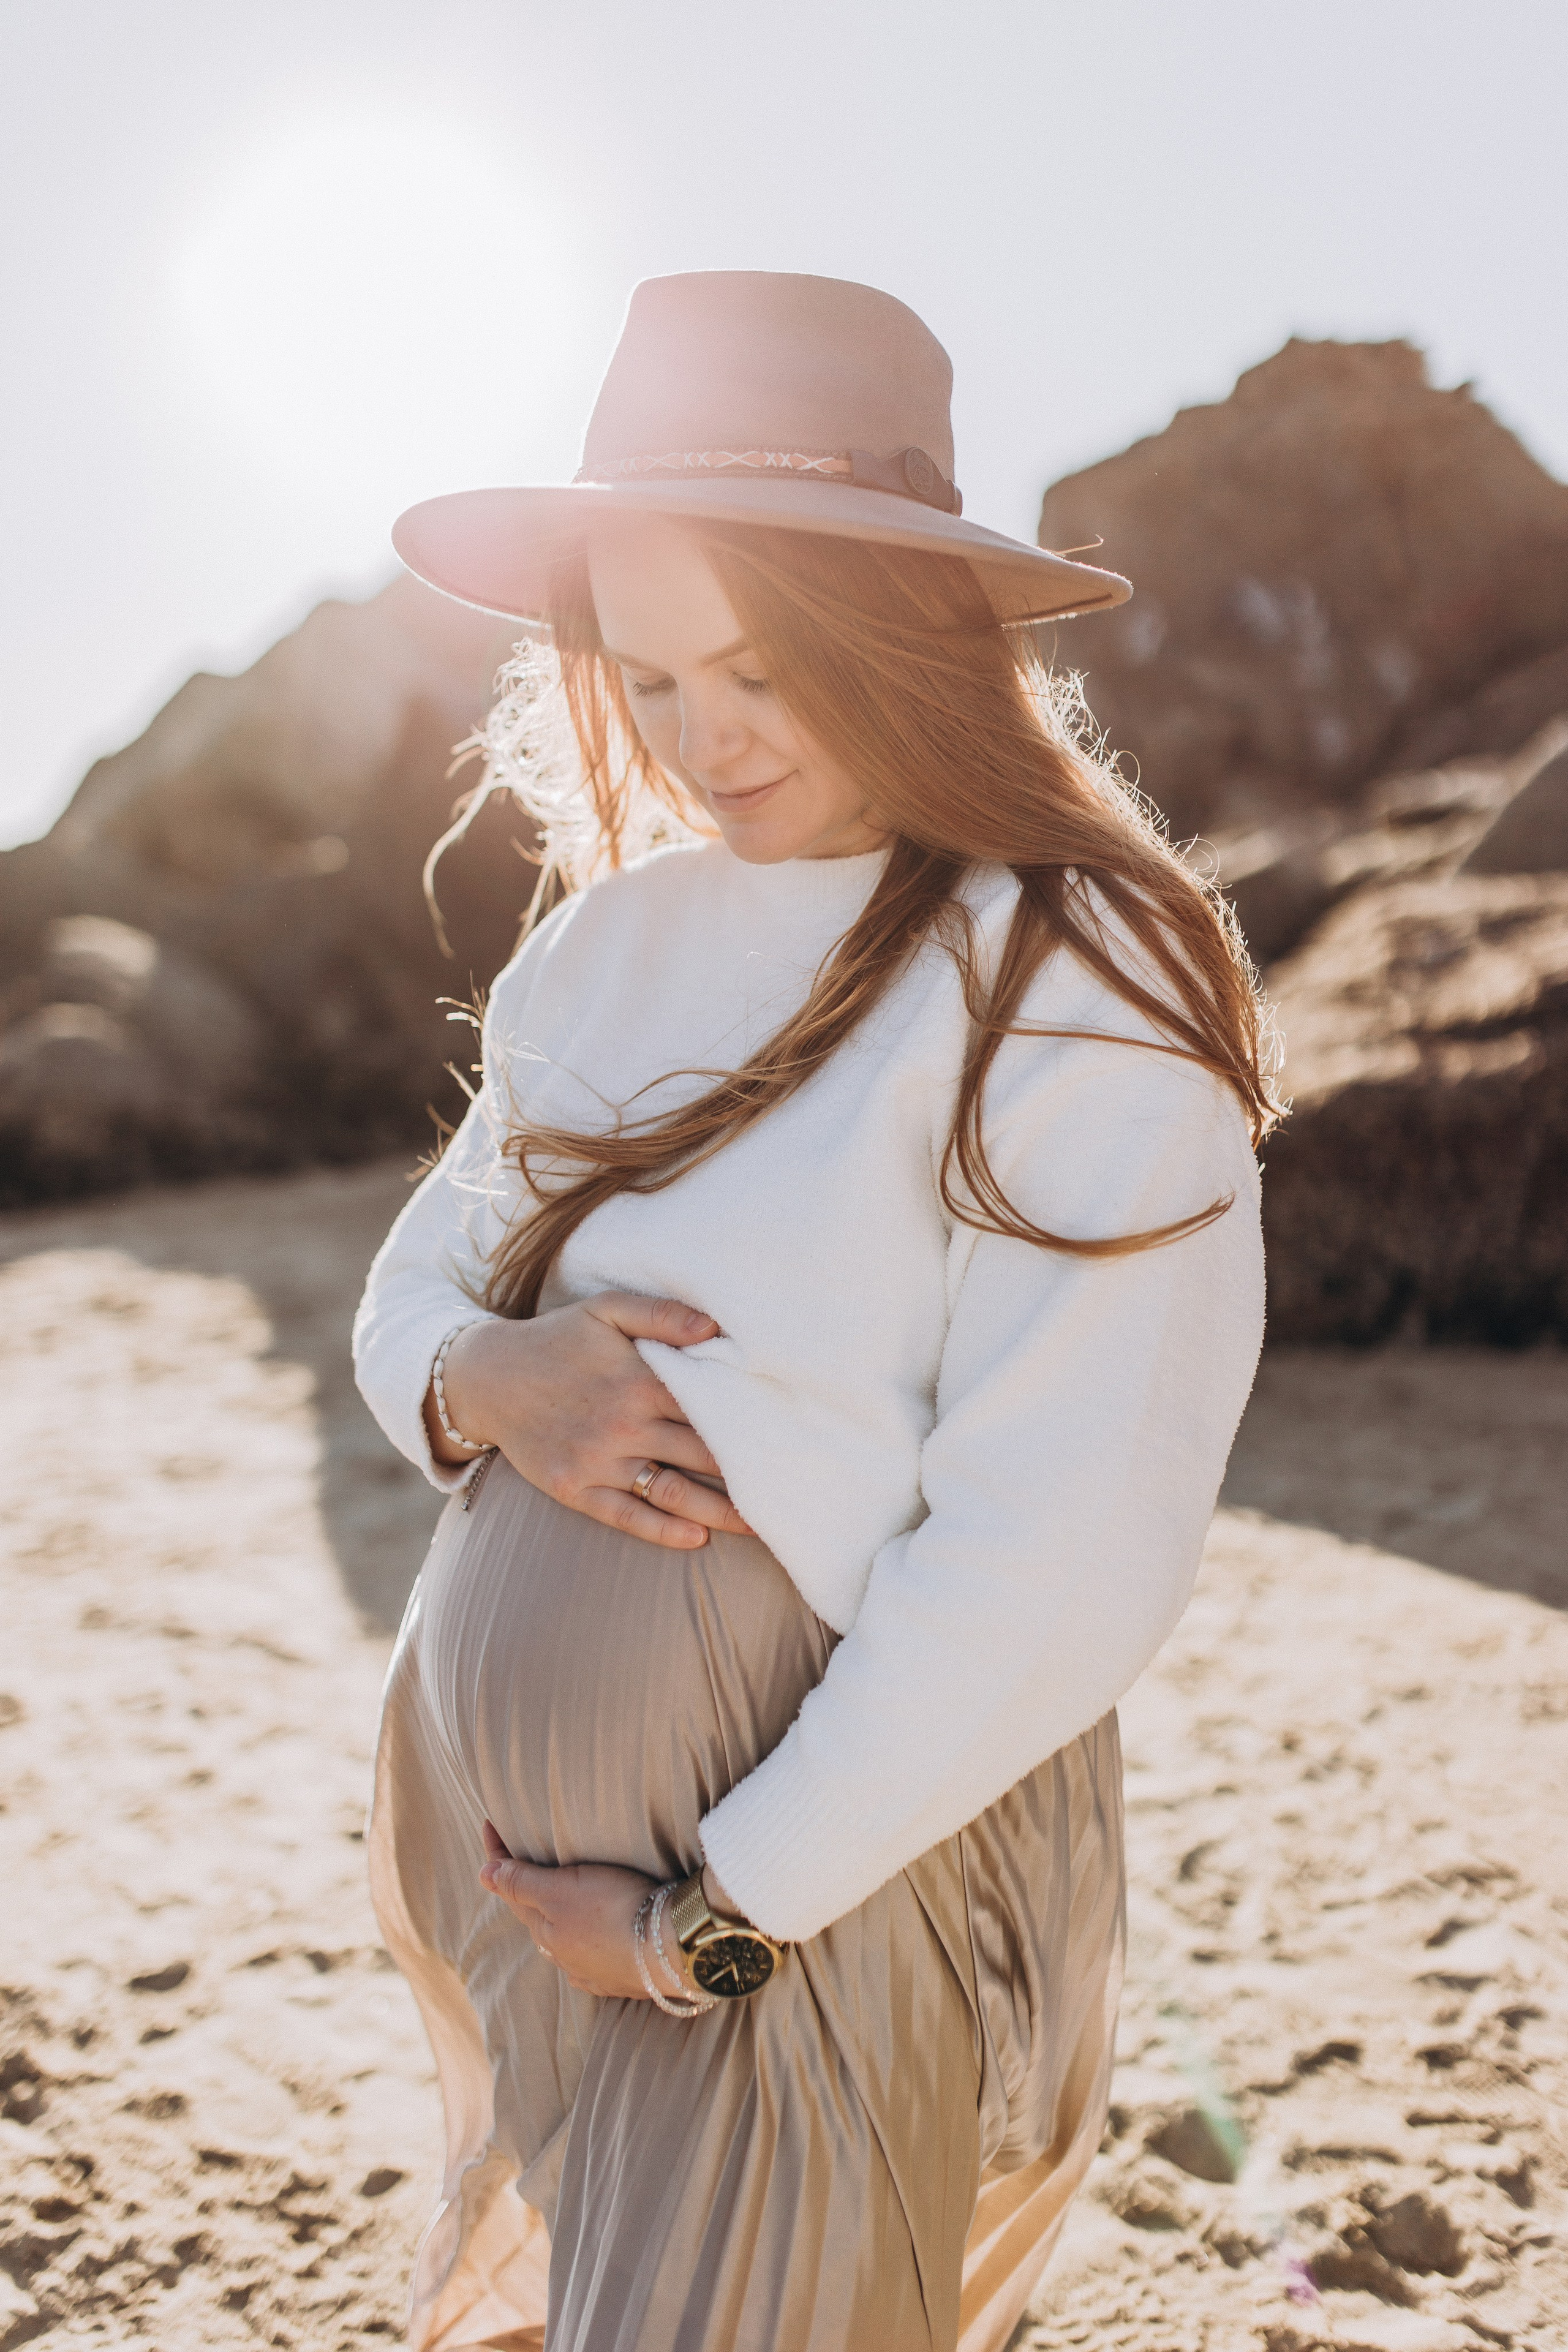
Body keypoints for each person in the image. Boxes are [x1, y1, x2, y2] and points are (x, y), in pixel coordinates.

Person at [353, 271, 1273, 2352]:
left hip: (803, 1872)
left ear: (912, 631)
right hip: (536, 1876)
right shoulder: (607, 946)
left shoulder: (1076, 969)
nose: (706, 739)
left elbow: (1066, 1543)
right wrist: (484, 1374)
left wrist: (718, 1919)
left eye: (764, 666)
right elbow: (417, 1277)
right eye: (652, 675)